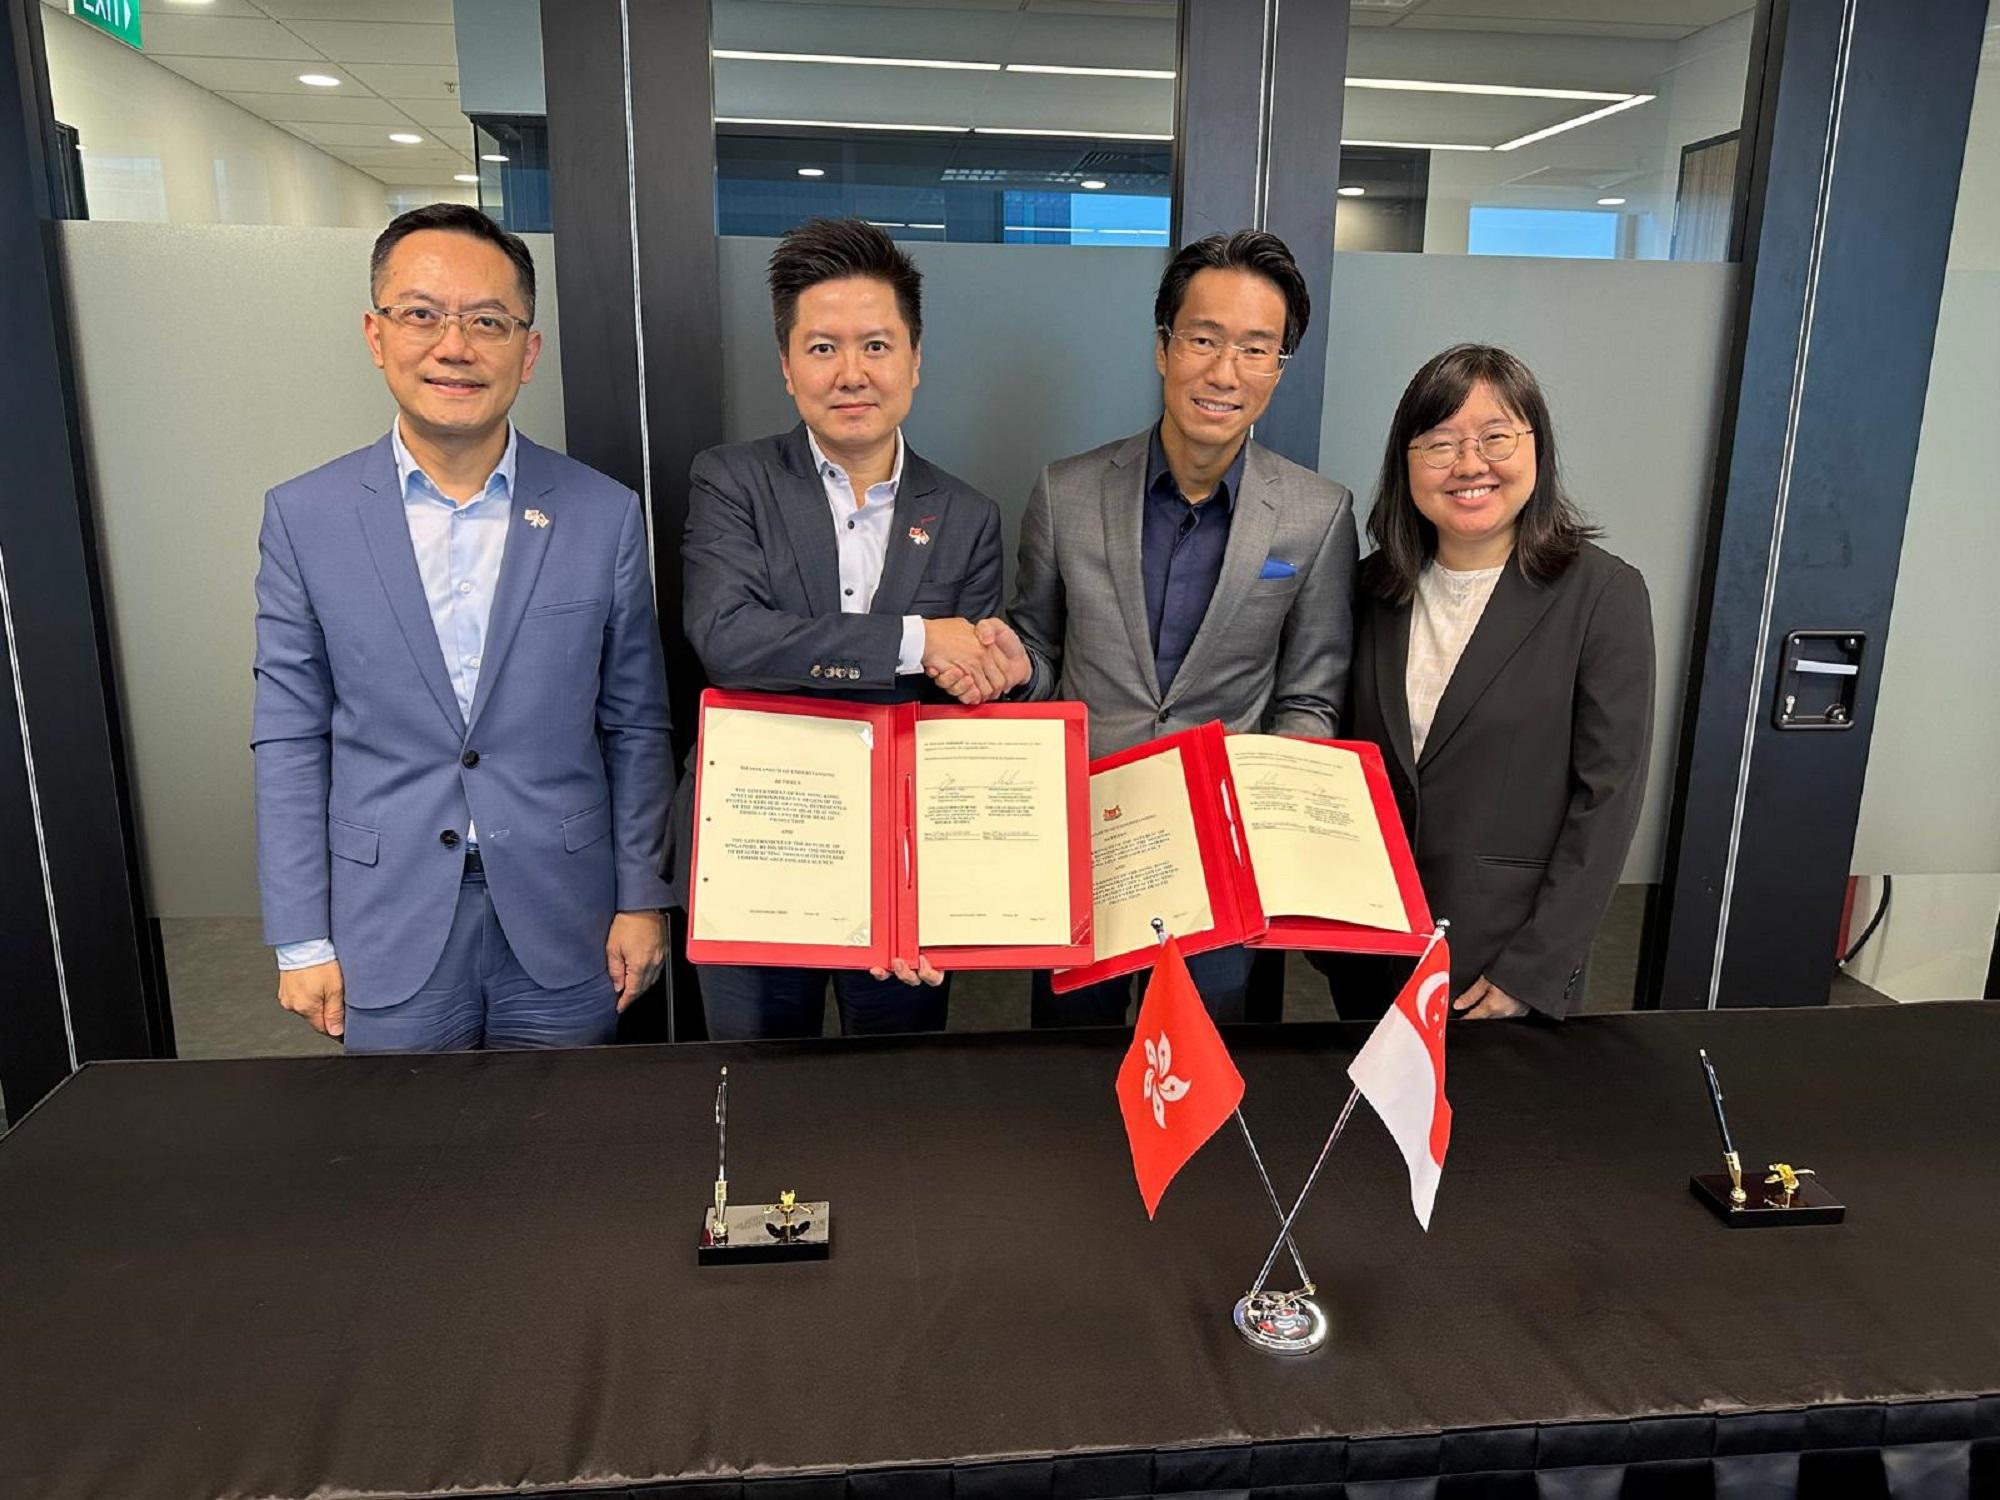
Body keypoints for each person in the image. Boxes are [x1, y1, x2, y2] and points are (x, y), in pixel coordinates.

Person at [252, 203, 672, 1052]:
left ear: (529, 347)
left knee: (565, 1158)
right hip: (386, 922)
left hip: (567, 916)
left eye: (487, 321)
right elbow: (290, 734)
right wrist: (300, 936)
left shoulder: (602, 514)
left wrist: (642, 897)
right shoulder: (307, 517)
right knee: (407, 1168)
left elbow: (635, 725)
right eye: (421, 315)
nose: (455, 346)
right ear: (376, 335)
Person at [955, 230, 1358, 1024]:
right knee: (1071, 1069)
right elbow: (1040, 652)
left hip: (1222, 860)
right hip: (1090, 847)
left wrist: (1266, 816)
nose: (1223, 371)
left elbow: (1311, 696)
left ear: (1280, 366)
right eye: (1204, 339)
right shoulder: (1066, 491)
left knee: (1204, 1073)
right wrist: (1012, 667)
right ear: (1163, 347)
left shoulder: (1318, 515)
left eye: (1256, 348)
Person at [678, 217, 1008, 1040]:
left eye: (877, 345)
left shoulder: (968, 515)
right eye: (823, 348)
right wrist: (918, 640)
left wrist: (993, 669)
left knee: (891, 1110)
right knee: (754, 1102)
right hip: (758, 849)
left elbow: (962, 718)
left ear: (915, 361)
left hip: (904, 879)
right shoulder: (732, 482)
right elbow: (730, 638)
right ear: (787, 367)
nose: (852, 373)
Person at [1324, 343, 1653, 1021]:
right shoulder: (1369, 589)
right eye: (1440, 442)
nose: (1470, 464)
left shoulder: (1602, 594)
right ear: (1406, 463)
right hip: (1371, 951)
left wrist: (1533, 972)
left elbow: (1608, 800)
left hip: (1500, 969)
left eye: (1496, 436)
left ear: (1538, 447)